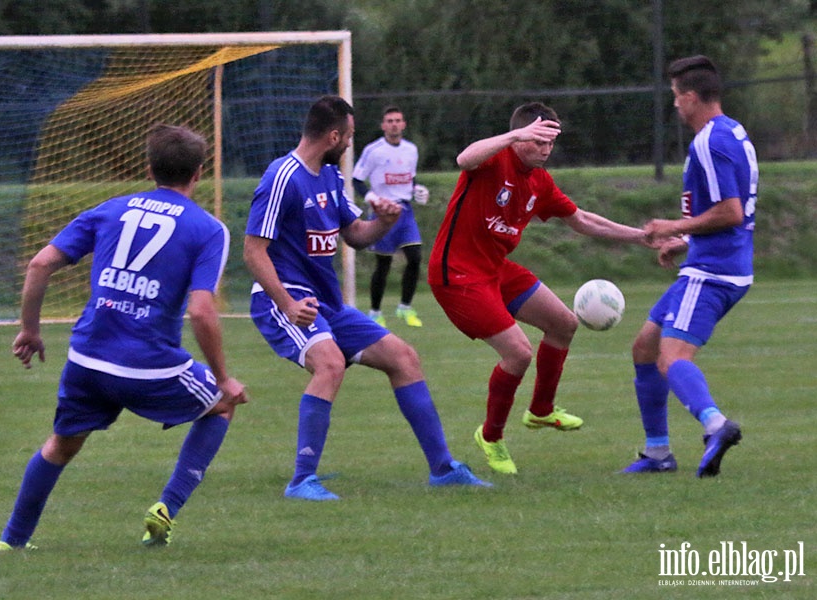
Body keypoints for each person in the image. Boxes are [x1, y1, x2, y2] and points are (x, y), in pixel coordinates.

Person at [0, 124, 247, 550]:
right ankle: (166, 507)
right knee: (221, 405)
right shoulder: (208, 229)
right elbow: (201, 311)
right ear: (199, 173)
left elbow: (39, 265)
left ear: (149, 169)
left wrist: (30, 330)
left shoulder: (110, 209)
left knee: (61, 445)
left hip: (88, 360)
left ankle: (11, 542)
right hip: (148, 363)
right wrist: (223, 377)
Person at [243, 95, 490, 501]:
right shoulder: (282, 177)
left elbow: (355, 235)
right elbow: (253, 251)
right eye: (350, 138)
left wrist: (384, 224)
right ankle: (301, 480)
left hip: (328, 303)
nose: (350, 146)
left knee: (404, 358)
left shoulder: (329, 177)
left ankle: (443, 469)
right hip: (284, 300)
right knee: (330, 363)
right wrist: (287, 303)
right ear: (334, 135)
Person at [428, 102, 651, 475]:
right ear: (522, 137)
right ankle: (492, 436)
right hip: (457, 274)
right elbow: (464, 158)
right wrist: (514, 135)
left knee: (564, 323)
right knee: (518, 353)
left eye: (552, 142)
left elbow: (581, 219)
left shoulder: (539, 182)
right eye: (540, 140)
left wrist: (643, 237)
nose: (547, 149)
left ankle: (541, 411)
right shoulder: (493, 160)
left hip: (494, 270)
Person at [623, 55, 754, 477]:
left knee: (672, 357)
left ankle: (715, 425)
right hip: (716, 261)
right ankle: (658, 453)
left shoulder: (708, 142)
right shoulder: (733, 131)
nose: (675, 105)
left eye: (677, 97)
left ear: (692, 97)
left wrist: (672, 225)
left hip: (713, 271)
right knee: (644, 346)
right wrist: (685, 241)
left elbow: (731, 211)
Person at [352, 106, 430, 327]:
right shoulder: (373, 150)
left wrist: (416, 190)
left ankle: (405, 307)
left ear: (403, 124)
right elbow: (357, 180)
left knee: (414, 257)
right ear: (383, 125)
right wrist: (372, 199)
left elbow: (409, 179)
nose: (394, 124)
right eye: (390, 121)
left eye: (398, 120)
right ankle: (375, 312)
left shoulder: (411, 150)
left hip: (404, 211)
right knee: (383, 264)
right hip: (383, 214)